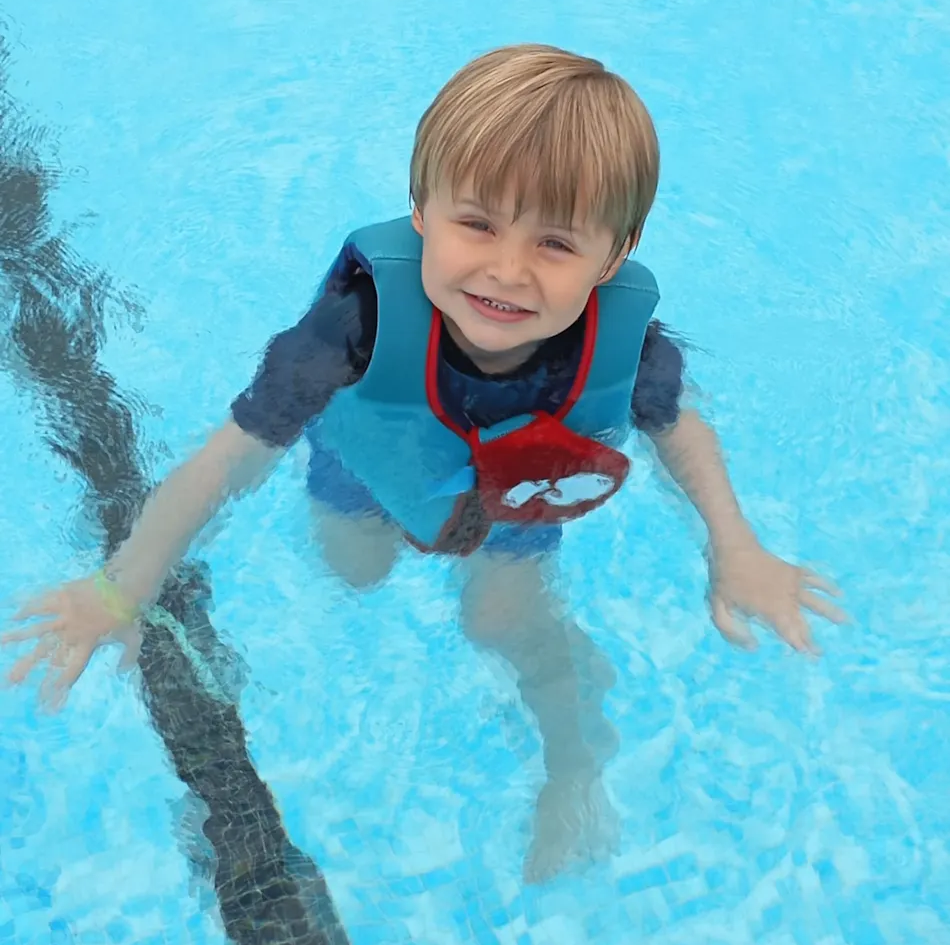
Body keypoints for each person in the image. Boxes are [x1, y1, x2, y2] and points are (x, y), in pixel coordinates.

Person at [2, 44, 846, 882]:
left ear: (613, 257)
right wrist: (120, 586)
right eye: (476, 223)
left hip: (518, 496)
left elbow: (677, 428)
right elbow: (226, 462)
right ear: (420, 210)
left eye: (555, 244)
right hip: (365, 472)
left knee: (504, 622)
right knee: (355, 566)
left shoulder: (624, 341)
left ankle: (575, 770)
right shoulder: (347, 331)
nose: (506, 272)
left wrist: (733, 545)